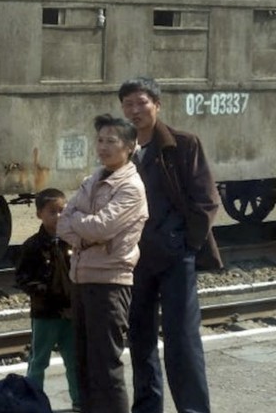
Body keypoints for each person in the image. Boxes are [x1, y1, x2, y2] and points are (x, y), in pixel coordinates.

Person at [118, 77, 222, 413]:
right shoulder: (123, 150)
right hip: (136, 258)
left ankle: (193, 409)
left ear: (157, 104)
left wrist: (184, 243)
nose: (135, 110)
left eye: (141, 102)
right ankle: (147, 407)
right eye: (128, 104)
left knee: (182, 340)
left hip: (176, 257)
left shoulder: (183, 144)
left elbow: (206, 200)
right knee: (140, 337)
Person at [56, 114, 148, 413]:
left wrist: (81, 227)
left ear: (130, 146)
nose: (103, 146)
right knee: (83, 361)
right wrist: (85, 231)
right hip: (82, 278)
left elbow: (101, 227)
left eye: (112, 141)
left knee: (106, 365)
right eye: (100, 140)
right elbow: (62, 224)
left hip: (110, 282)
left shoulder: (131, 187)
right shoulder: (92, 180)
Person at [15, 188, 81, 410]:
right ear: (39, 214)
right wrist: (44, 292)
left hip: (71, 313)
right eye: (52, 211)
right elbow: (23, 277)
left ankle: (79, 401)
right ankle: (34, 404)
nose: (59, 216)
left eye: (63, 210)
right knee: (38, 360)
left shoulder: (73, 241)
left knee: (74, 360)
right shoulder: (33, 245)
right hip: (45, 314)